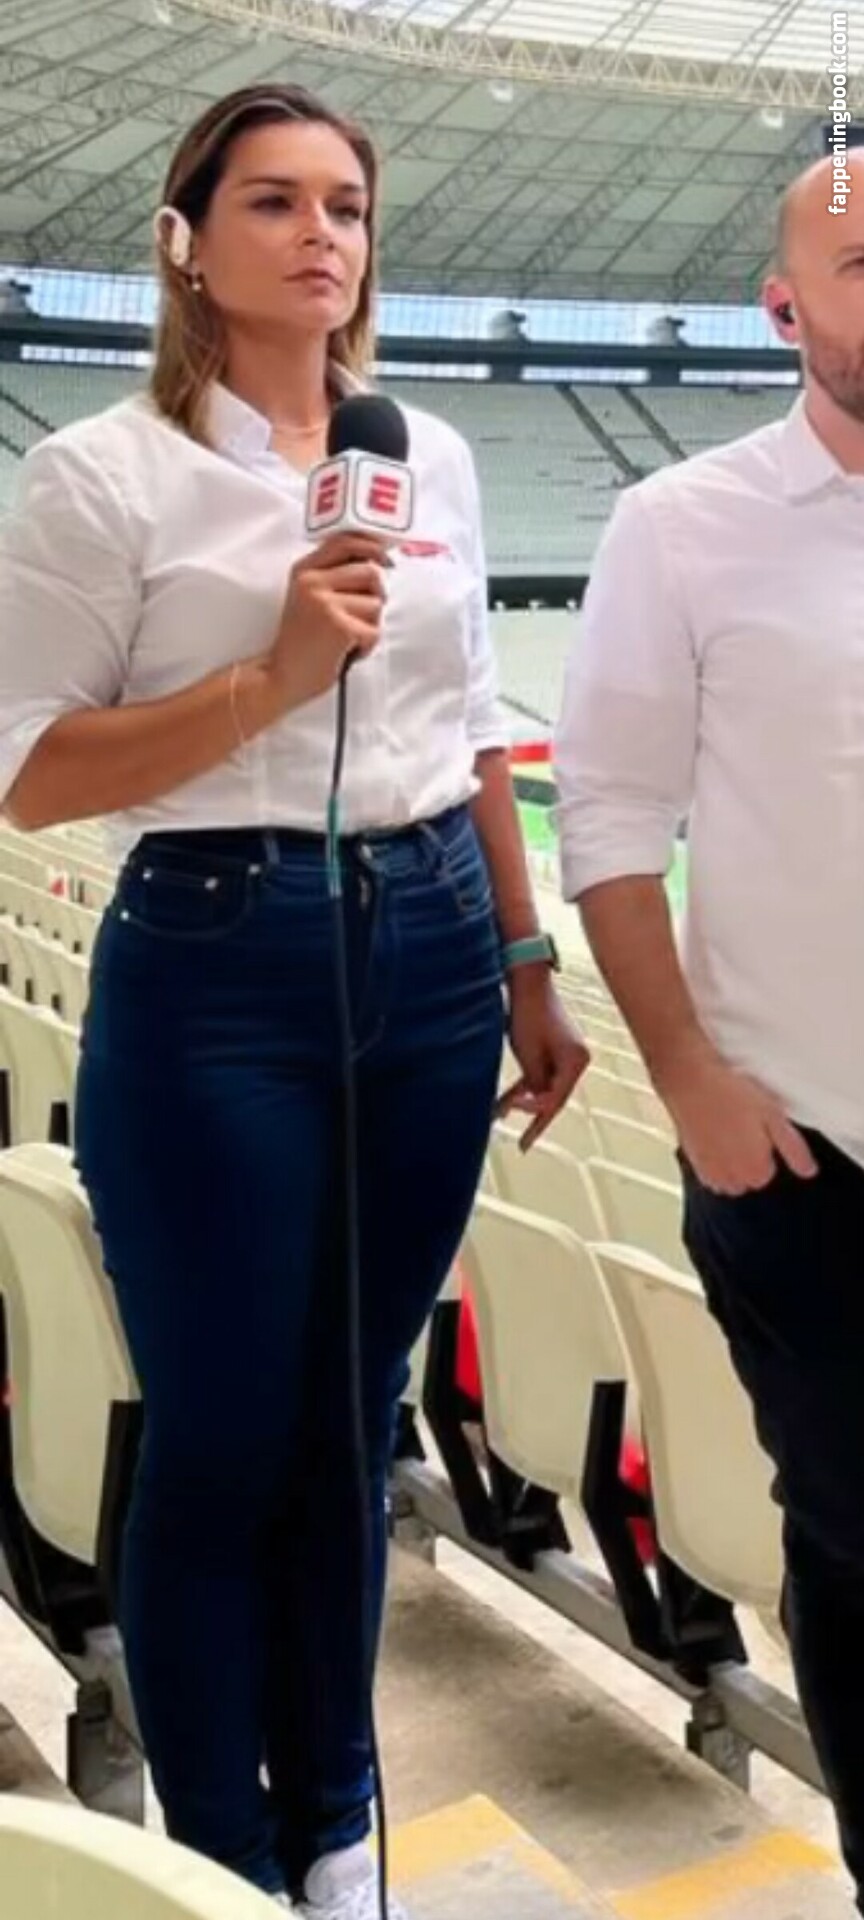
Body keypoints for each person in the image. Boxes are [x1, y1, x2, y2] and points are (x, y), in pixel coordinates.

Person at [0, 84, 587, 1918]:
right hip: (218, 959)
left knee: (352, 1417)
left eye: (344, 203)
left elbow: (473, 726)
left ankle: (337, 1828)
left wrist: (525, 959)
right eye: (273, 201)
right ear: (187, 242)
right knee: (224, 1436)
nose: (321, 233)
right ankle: (225, 1855)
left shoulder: (429, 456)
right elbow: (30, 771)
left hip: (433, 951)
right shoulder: (102, 474)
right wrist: (268, 678)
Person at [553, 146, 864, 1913]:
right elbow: (607, 819)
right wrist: (689, 1084)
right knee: (861, 1549)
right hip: (810, 1150)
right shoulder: (686, 524)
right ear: (784, 309)